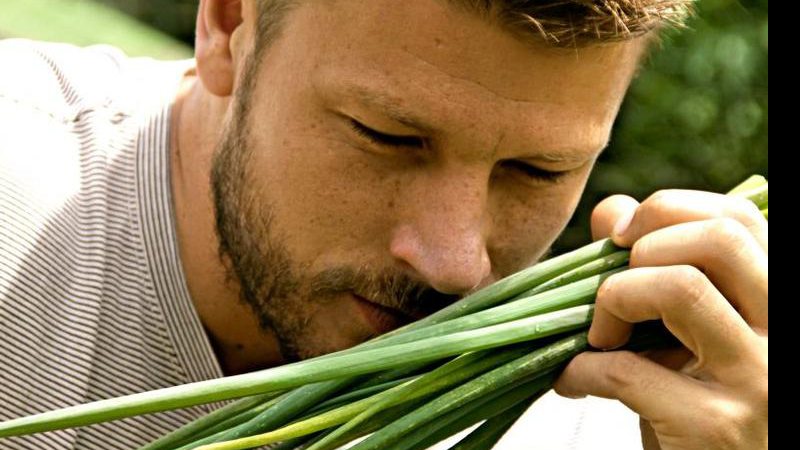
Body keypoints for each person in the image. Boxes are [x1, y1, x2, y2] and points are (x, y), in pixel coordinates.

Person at [0, 0, 767, 449]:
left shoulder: (609, 419)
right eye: (389, 137)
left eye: (540, 171)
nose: (455, 263)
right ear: (230, 25)